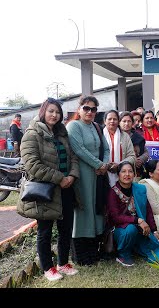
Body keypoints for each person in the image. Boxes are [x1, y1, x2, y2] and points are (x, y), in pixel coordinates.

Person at [17, 98, 80, 281]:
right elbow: (33, 165)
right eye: (51, 111)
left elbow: (73, 157)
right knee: (44, 230)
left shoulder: (62, 133)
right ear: (43, 111)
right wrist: (60, 179)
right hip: (46, 190)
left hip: (67, 188)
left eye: (57, 112)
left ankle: (63, 263)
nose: (54, 115)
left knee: (66, 228)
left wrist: (72, 176)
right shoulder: (31, 134)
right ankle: (48, 268)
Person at [66, 95, 110, 266]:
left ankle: (94, 252)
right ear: (79, 109)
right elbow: (79, 150)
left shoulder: (97, 127)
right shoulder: (73, 126)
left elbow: (106, 148)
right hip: (82, 177)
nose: (90, 112)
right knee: (83, 212)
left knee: (95, 211)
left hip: (98, 177)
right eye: (86, 108)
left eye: (93, 109)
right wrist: (98, 164)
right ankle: (80, 256)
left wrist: (104, 165)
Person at [106, 161, 159, 266]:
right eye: (123, 171)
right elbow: (115, 217)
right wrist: (137, 220)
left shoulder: (139, 189)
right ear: (118, 175)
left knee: (156, 249)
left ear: (134, 174)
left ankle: (135, 248)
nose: (127, 174)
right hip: (120, 230)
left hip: (140, 228)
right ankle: (123, 255)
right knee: (130, 229)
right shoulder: (113, 192)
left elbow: (148, 210)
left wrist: (154, 231)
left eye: (130, 171)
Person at [103, 109, 136, 187]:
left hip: (122, 175)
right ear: (105, 121)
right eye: (109, 119)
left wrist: (119, 165)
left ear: (118, 121)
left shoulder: (125, 136)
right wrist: (106, 166)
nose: (112, 121)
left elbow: (132, 156)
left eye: (115, 119)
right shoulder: (100, 135)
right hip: (103, 174)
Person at [119, 111, 149, 181]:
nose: (126, 123)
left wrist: (140, 159)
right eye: (124, 121)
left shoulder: (138, 138)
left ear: (132, 123)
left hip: (135, 171)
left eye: (129, 121)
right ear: (119, 122)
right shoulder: (115, 137)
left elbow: (146, 152)